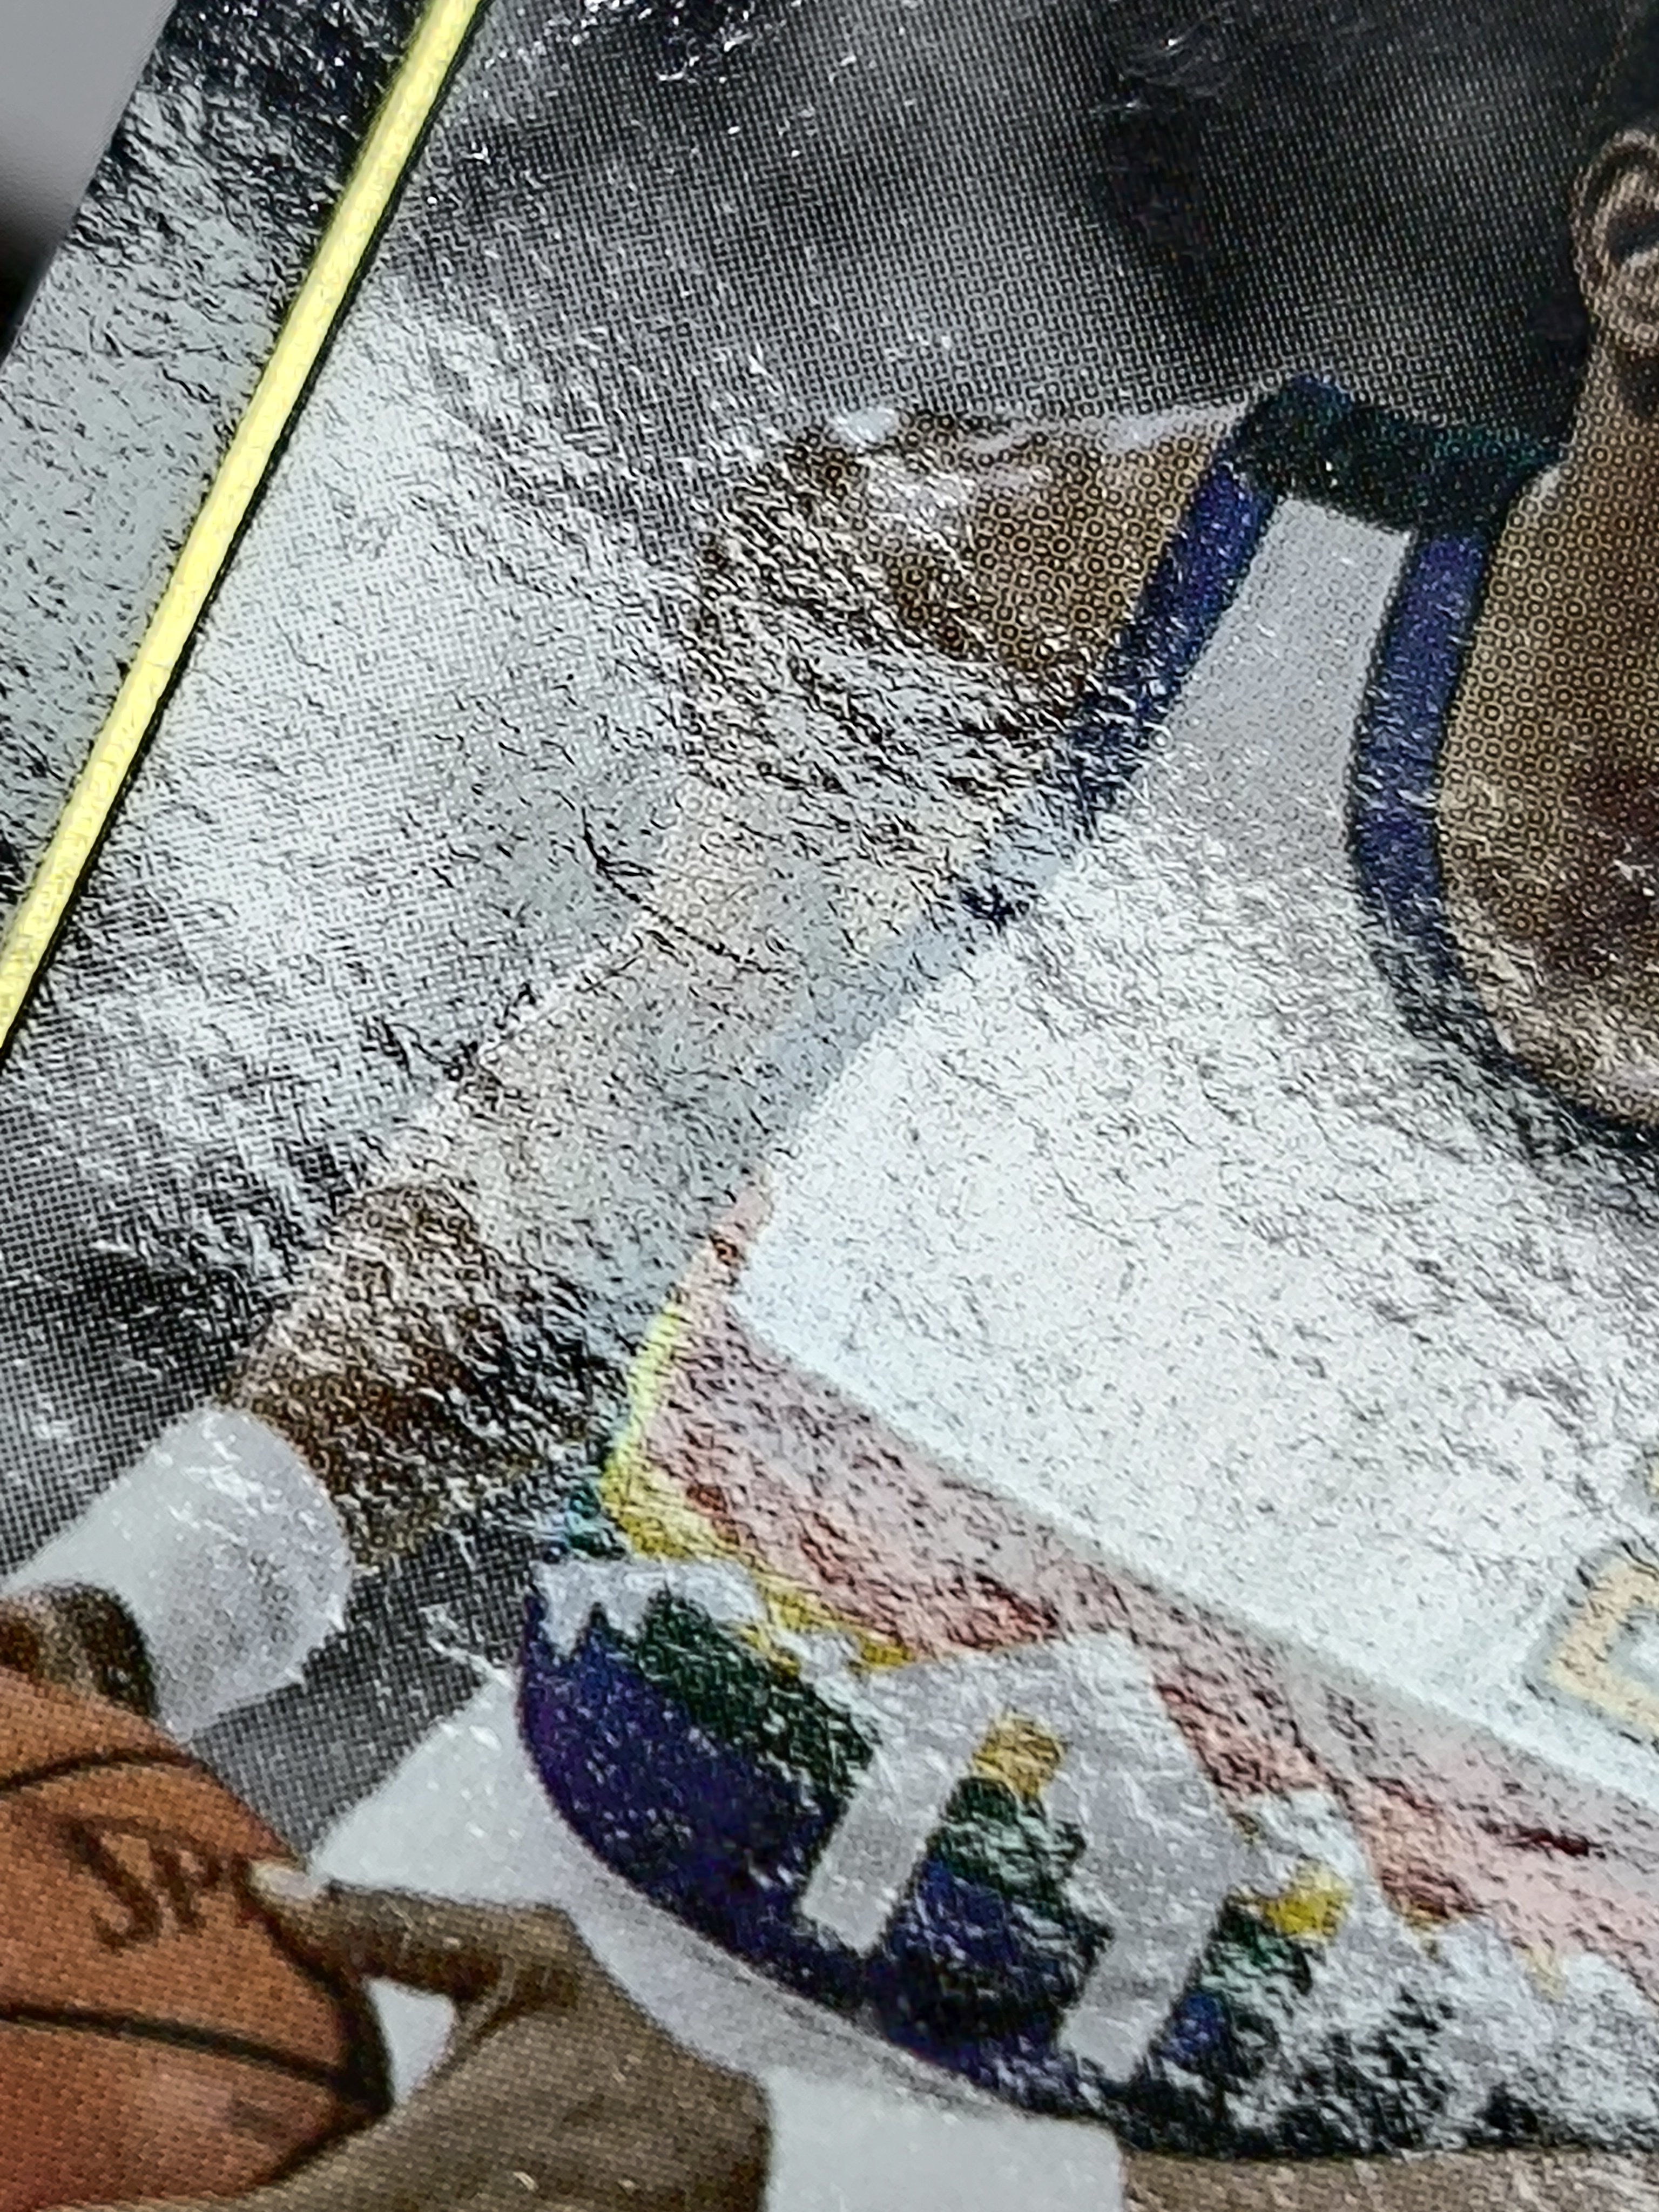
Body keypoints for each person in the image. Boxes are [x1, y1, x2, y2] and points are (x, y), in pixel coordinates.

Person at [16, 3, 1659, 2205]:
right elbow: (598, 1146)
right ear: (1637, 252)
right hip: (453, 2068)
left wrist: (788, 2165)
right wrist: (137, 1602)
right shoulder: (1055, 584)